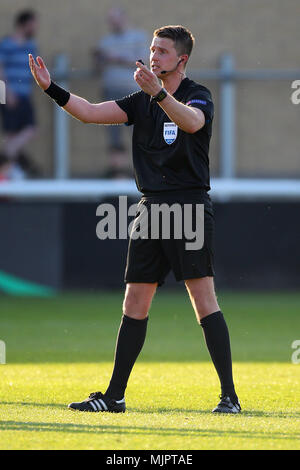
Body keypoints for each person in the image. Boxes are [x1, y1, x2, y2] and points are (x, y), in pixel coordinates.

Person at [29, 24, 241, 414]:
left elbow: (192, 123)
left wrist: (158, 94)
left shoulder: (196, 95)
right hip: (150, 209)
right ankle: (114, 396)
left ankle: (230, 397)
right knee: (134, 301)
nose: (154, 55)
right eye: (152, 49)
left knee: (203, 299)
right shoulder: (141, 101)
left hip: (188, 207)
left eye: (162, 51)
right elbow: (91, 114)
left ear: (182, 60)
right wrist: (50, 89)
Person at [93, 7, 148, 177]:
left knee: (137, 131)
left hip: (132, 91)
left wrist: (115, 58)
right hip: (111, 90)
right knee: (113, 134)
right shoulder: (105, 41)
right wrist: (99, 59)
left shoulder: (138, 37)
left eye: (115, 19)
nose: (113, 23)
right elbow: (98, 70)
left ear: (123, 18)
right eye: (110, 19)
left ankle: (141, 169)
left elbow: (143, 62)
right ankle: (117, 171)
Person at [0, 10, 39, 179]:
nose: (35, 27)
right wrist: (6, 93)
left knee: (24, 131)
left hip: (25, 95)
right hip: (9, 94)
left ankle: (9, 165)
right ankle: (7, 164)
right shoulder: (6, 44)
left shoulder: (31, 46)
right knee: (16, 133)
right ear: (23, 24)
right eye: (33, 23)